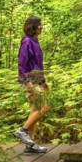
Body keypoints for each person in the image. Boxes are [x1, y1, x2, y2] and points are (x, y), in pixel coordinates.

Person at [13, 16, 49, 153]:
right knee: (44, 107)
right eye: (39, 24)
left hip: (35, 80)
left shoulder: (34, 41)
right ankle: (22, 131)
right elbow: (22, 64)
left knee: (34, 110)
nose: (41, 27)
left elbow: (37, 65)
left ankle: (31, 144)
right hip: (29, 81)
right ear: (33, 26)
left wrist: (43, 82)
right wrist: (27, 82)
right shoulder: (27, 41)